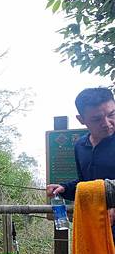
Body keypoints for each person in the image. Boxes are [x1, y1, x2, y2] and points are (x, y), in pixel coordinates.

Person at [46, 87, 115, 230]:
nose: (107, 123)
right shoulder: (81, 146)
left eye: (112, 114)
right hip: (96, 225)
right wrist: (64, 188)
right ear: (81, 119)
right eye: (97, 119)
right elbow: (85, 184)